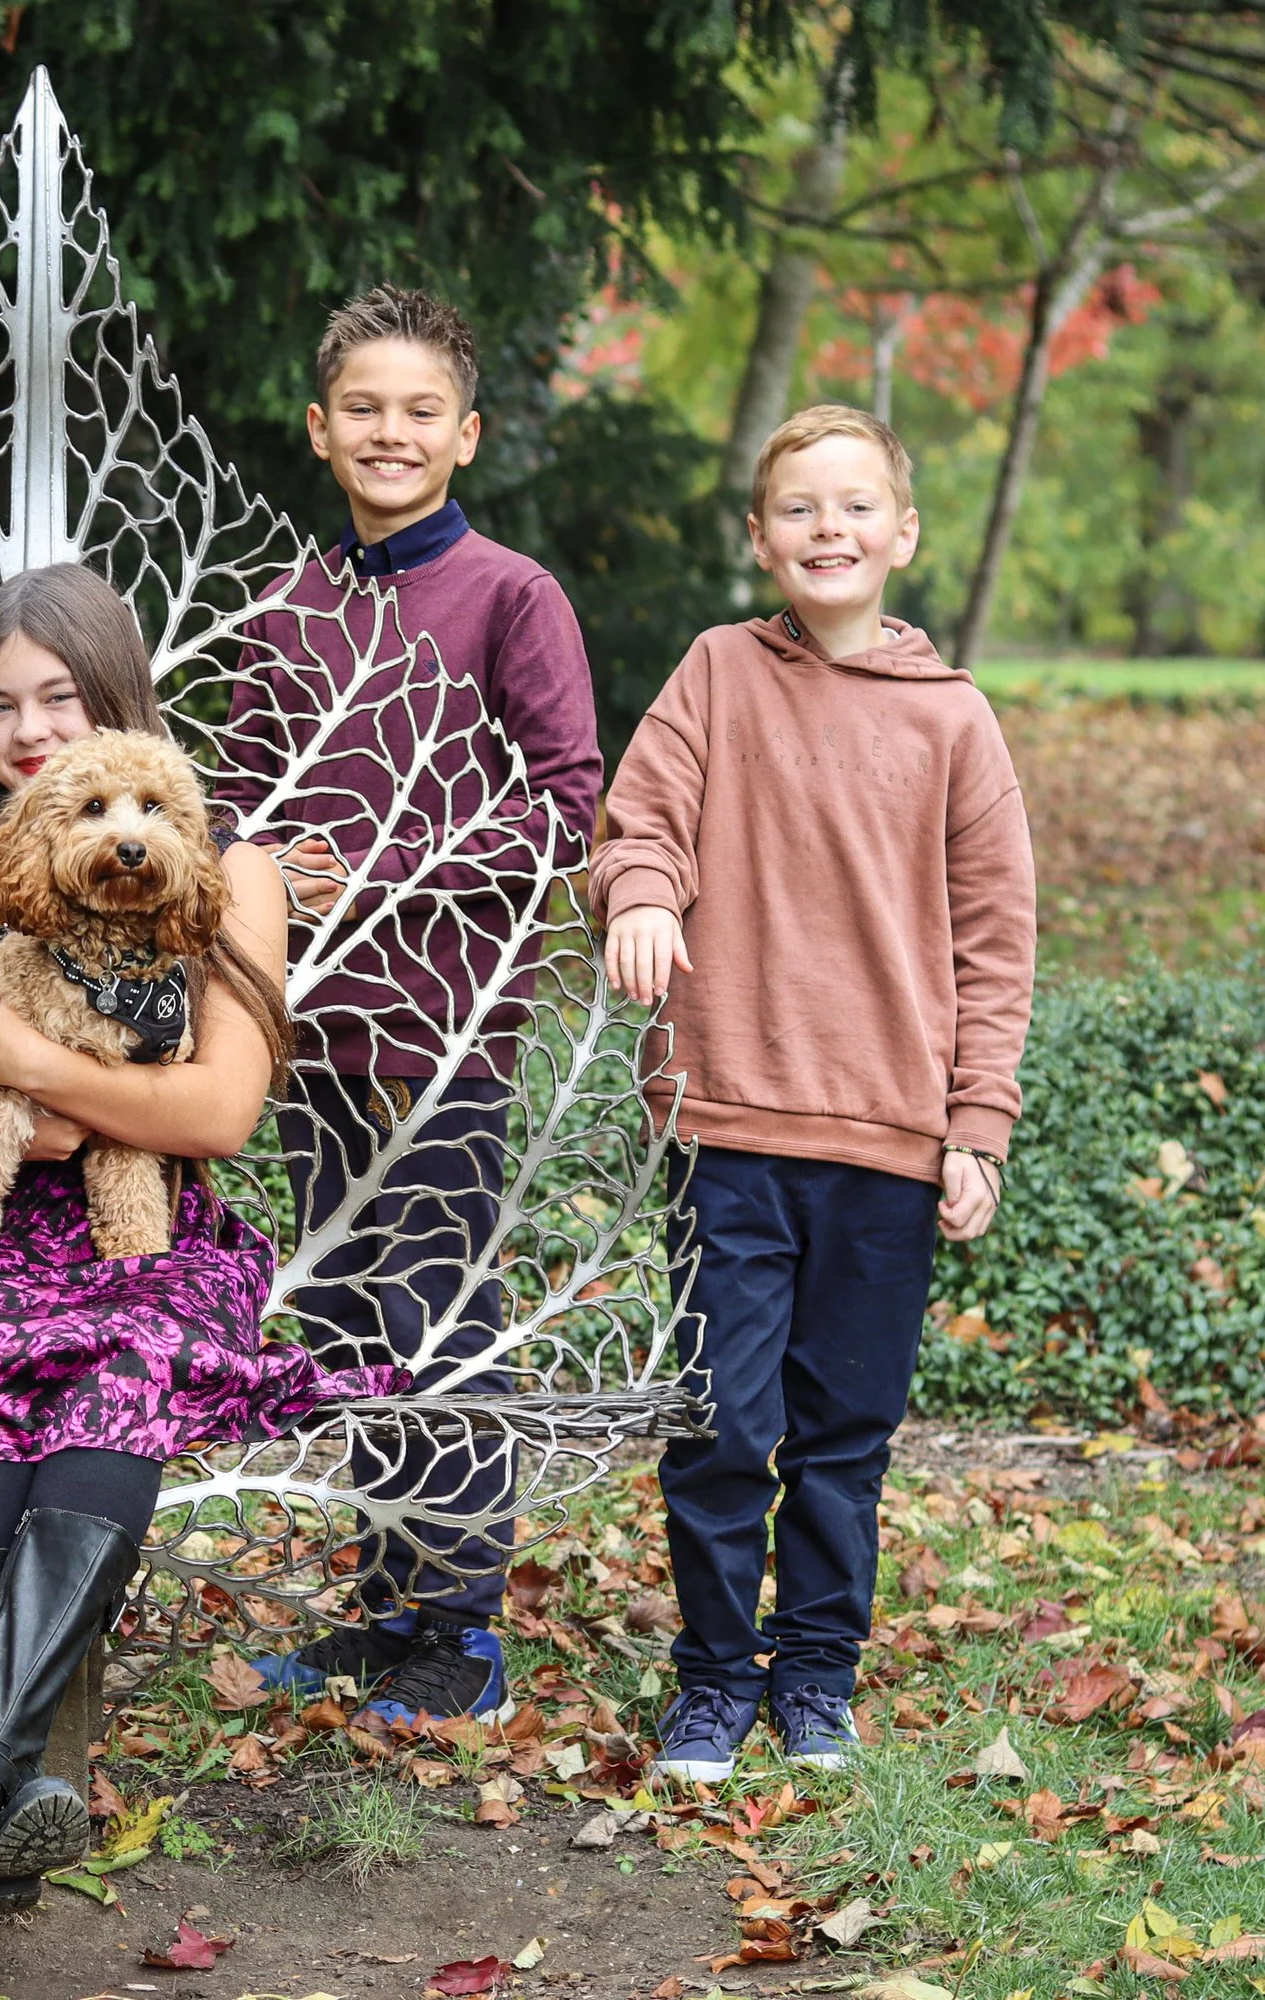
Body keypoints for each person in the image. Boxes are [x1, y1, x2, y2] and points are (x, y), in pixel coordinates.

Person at [0, 563, 405, 1914]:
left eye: (59, 698)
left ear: (118, 695)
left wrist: (38, 1073)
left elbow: (220, 1110)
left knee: (119, 1373)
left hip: (147, 1238)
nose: (28, 731)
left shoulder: (229, 869)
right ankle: (7, 1786)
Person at [591, 405, 1035, 1780]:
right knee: (725, 1422)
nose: (828, 528)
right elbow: (641, 817)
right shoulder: (719, 673)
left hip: (888, 1141)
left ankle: (818, 1679)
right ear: (759, 537)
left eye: (855, 506)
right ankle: (715, 1679)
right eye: (799, 508)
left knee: (843, 1435)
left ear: (904, 533)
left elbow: (996, 937)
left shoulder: (954, 719)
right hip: (727, 1121)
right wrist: (643, 893)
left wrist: (977, 1124)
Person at [216, 285, 602, 1725]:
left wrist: (382, 869)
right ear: (321, 430)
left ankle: (463, 1631)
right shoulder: (286, 609)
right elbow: (238, 803)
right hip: (311, 1027)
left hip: (444, 1031)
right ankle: (386, 1609)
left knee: (440, 1314)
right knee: (348, 1321)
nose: (392, 432)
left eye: (421, 411)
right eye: (365, 409)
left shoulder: (511, 597)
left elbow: (565, 810)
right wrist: (259, 872)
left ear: (467, 436)